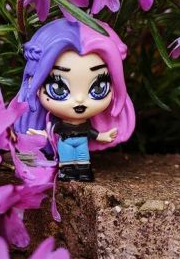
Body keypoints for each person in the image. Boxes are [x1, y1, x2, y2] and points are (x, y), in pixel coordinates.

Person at [14, 18, 135, 181]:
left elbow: (90, 132)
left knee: (82, 157)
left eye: (99, 88)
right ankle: (67, 171)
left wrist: (103, 136)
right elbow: (52, 130)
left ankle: (83, 171)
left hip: (80, 142)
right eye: (58, 88)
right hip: (64, 142)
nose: (79, 99)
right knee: (68, 158)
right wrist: (40, 133)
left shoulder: (84, 123)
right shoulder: (59, 124)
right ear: (34, 86)